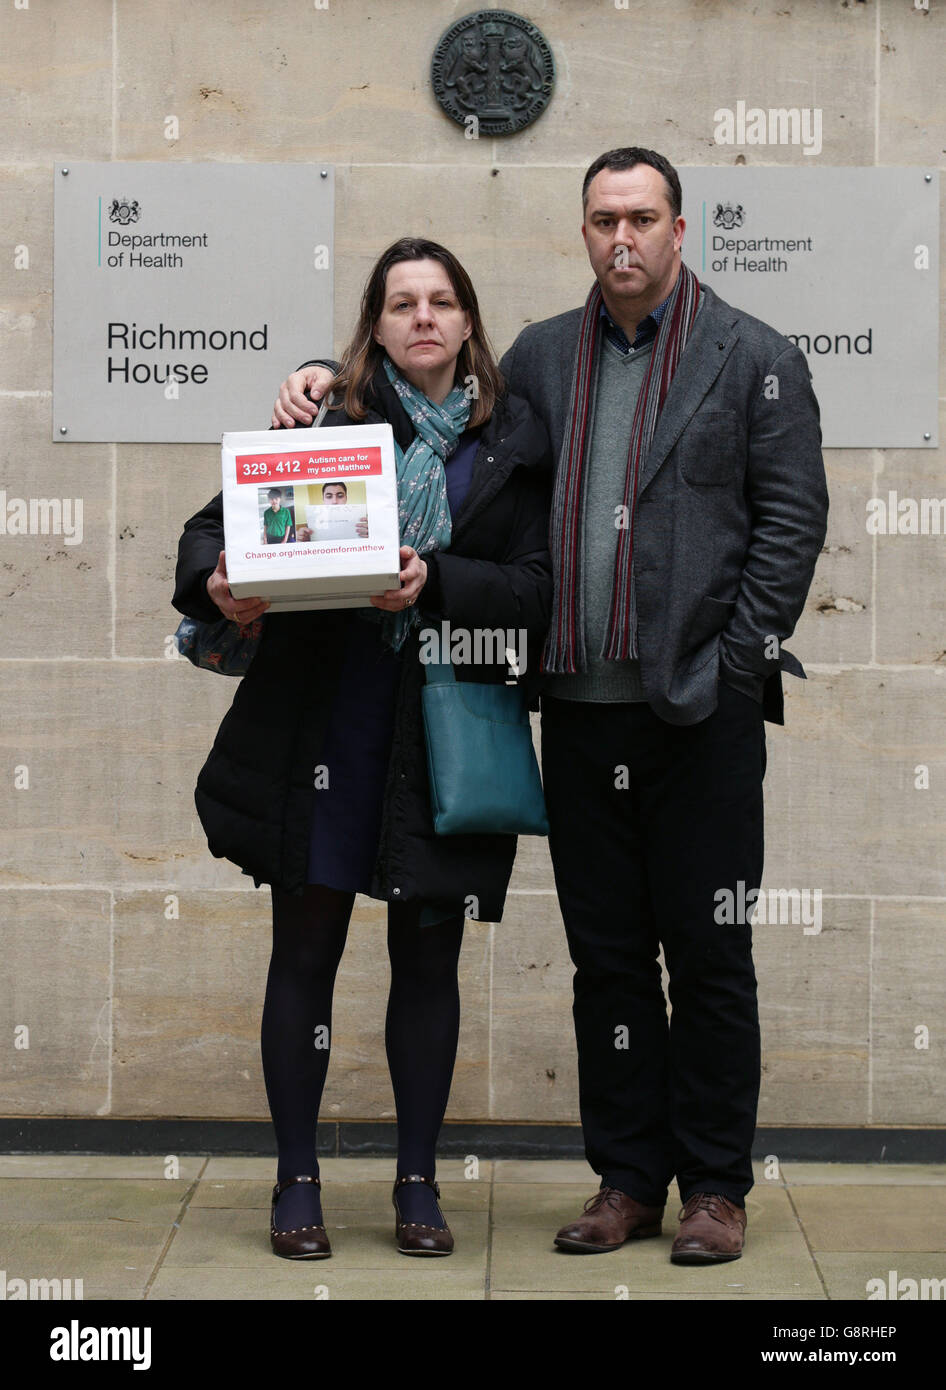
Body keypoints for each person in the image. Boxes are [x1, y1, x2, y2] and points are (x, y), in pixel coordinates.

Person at [272, 148, 829, 1265]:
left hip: (699, 714)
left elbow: (790, 523)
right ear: (583, 232)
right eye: (603, 219)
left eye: (642, 218)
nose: (622, 238)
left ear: (680, 230)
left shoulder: (755, 357)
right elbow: (438, 397)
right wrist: (319, 376)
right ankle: (625, 1179)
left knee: (709, 955)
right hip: (575, 711)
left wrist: (733, 663)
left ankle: (715, 1188)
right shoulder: (541, 357)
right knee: (606, 960)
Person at [173, 237, 553, 1259]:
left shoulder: (512, 441)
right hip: (323, 722)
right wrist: (220, 583)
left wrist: (439, 582)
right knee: (304, 951)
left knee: (427, 961)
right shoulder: (325, 420)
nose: (423, 317)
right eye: (401, 302)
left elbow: (537, 590)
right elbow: (210, 535)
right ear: (374, 326)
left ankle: (418, 1183)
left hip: (443, 730)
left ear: (468, 322)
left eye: (441, 301)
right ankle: (296, 1179)